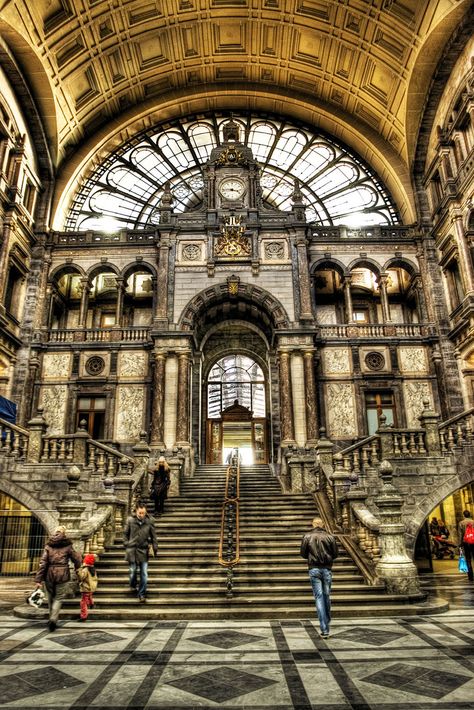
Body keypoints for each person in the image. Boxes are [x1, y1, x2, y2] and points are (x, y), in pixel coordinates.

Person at [34, 525, 81, 632]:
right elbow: (76, 558)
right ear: (64, 533)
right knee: (59, 598)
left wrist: (38, 579)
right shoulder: (68, 545)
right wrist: (78, 568)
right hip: (62, 574)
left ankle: (51, 618)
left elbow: (43, 563)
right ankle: (53, 619)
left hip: (49, 574)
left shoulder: (49, 545)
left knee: (50, 597)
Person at [300, 516, 338, 639]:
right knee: (326, 595)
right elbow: (335, 554)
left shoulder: (307, 536)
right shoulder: (330, 536)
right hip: (327, 569)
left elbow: (303, 554)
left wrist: (312, 557)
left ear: (313, 524)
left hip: (314, 569)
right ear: (322, 524)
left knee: (319, 597)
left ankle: (324, 628)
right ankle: (327, 620)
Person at [123, 501, 158, 602]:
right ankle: (133, 584)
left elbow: (154, 536)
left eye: (143, 513)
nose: (141, 515)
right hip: (132, 549)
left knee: (144, 573)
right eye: (140, 513)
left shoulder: (150, 521)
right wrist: (126, 543)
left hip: (143, 549)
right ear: (136, 511)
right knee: (132, 571)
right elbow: (125, 533)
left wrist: (155, 548)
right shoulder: (130, 520)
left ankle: (142, 594)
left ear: (145, 511)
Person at [77, 553, 98, 621]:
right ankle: (91, 603)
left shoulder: (85, 569)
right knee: (89, 596)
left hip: (85, 588)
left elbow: (81, 577)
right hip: (90, 587)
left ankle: (83, 616)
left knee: (83, 602)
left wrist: (78, 571)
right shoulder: (93, 569)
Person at [458, 509, 474, 582]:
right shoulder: (473, 522)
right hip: (473, 541)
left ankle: (470, 576)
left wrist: (460, 544)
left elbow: (460, 534)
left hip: (466, 542)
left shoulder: (461, 523)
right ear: (469, 515)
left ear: (463, 515)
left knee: (468, 559)